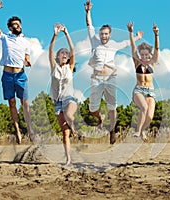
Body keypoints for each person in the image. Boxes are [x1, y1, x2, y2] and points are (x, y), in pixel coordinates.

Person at [84, 0, 142, 144]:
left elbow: (127, 43)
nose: (103, 36)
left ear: (110, 35)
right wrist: (88, 12)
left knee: (112, 106)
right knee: (92, 109)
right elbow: (89, 26)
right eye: (102, 34)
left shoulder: (114, 44)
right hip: (96, 79)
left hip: (110, 78)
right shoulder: (94, 41)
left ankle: (112, 130)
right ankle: (100, 118)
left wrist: (136, 37)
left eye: (106, 34)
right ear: (99, 34)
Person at [0, 0, 33, 144]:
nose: (18, 26)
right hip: (7, 76)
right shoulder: (5, 37)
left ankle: (30, 129)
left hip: (21, 75)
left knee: (25, 103)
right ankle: (18, 131)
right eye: (15, 24)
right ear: (10, 27)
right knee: (12, 104)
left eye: (19, 24)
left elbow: (27, 56)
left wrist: (28, 61)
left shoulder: (25, 41)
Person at [49, 23, 77, 165]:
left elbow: (73, 50)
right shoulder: (54, 67)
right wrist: (55, 35)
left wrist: (66, 33)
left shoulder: (70, 68)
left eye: (66, 54)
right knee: (64, 133)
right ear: (58, 57)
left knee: (69, 115)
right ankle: (68, 159)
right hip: (57, 102)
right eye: (62, 53)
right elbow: (51, 49)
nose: (65, 55)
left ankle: (75, 128)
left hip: (69, 99)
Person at [127, 22, 159, 141]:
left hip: (151, 91)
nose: (144, 57)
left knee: (150, 116)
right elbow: (133, 47)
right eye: (142, 55)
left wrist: (156, 35)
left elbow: (156, 48)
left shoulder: (153, 63)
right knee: (144, 108)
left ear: (150, 56)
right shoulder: (137, 63)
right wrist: (131, 32)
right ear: (140, 55)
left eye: (147, 55)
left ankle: (143, 131)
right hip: (139, 90)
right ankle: (138, 130)